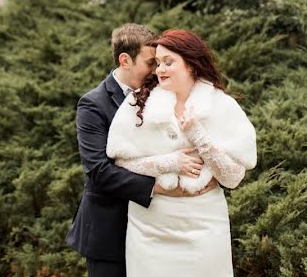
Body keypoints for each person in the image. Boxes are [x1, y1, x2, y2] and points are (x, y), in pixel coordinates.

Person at [66, 24, 216, 277]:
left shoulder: (164, 94)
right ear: (125, 60)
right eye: (150, 63)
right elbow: (99, 171)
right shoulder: (93, 104)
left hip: (157, 231)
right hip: (110, 230)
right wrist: (157, 187)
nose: (157, 71)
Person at [106, 29, 257, 276]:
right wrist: (170, 162)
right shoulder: (137, 103)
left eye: (168, 62)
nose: (159, 70)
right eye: (157, 63)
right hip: (149, 229)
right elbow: (122, 161)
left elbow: (232, 178)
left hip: (204, 225)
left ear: (191, 65)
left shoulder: (221, 105)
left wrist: (199, 136)